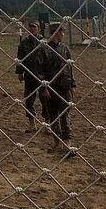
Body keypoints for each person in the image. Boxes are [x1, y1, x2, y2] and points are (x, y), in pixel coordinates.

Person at [34, 22, 77, 157]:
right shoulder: (43, 49)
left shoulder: (65, 48)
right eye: (61, 31)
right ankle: (57, 141)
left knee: (65, 114)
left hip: (64, 86)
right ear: (56, 32)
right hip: (50, 88)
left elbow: (70, 67)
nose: (63, 34)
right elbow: (38, 70)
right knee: (53, 115)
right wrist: (43, 88)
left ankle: (67, 142)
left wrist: (72, 85)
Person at [15, 21, 43, 132]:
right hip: (29, 75)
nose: (32, 29)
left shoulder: (44, 42)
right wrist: (20, 72)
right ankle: (32, 123)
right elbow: (20, 58)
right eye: (30, 27)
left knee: (45, 99)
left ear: (39, 29)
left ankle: (48, 122)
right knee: (29, 100)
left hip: (42, 76)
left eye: (34, 27)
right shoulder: (24, 43)